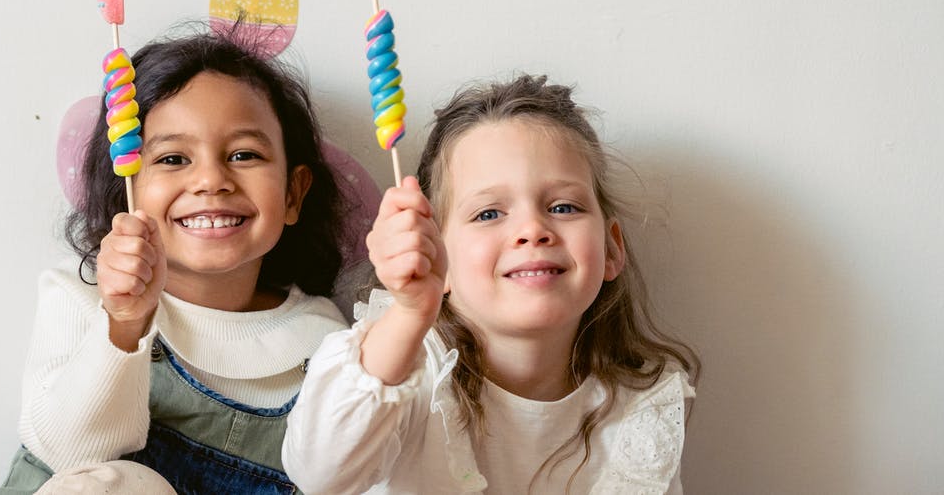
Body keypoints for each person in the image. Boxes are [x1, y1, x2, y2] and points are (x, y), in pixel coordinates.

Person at [0, 26, 350, 494]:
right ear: (127, 189)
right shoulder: (81, 298)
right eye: (173, 159)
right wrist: (124, 323)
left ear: (293, 194)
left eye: (244, 154)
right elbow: (66, 456)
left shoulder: (328, 347)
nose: (212, 180)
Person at [283, 74, 700, 494]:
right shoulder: (408, 370)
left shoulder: (641, 407)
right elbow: (320, 474)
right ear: (436, 254)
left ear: (611, 249)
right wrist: (409, 314)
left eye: (562, 206)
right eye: (488, 214)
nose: (533, 229)